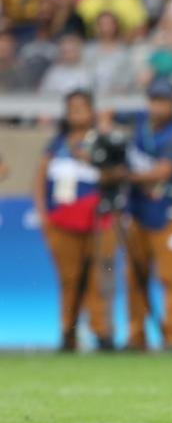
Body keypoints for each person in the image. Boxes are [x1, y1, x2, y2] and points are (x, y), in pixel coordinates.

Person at [103, 79, 172, 351]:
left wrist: (125, 176)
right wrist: (106, 129)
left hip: (167, 214)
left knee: (170, 278)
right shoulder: (139, 121)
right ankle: (136, 336)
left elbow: (162, 171)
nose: (157, 106)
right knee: (135, 276)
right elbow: (106, 114)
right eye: (153, 100)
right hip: (137, 211)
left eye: (163, 101)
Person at [33, 89, 116, 352]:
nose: (76, 114)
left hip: (96, 219)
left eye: (82, 108)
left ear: (92, 111)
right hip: (62, 219)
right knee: (69, 278)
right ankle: (68, 333)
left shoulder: (102, 140)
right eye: (72, 109)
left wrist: (91, 156)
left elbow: (115, 174)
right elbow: (40, 179)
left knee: (98, 277)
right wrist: (43, 215)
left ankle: (102, 332)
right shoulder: (57, 144)